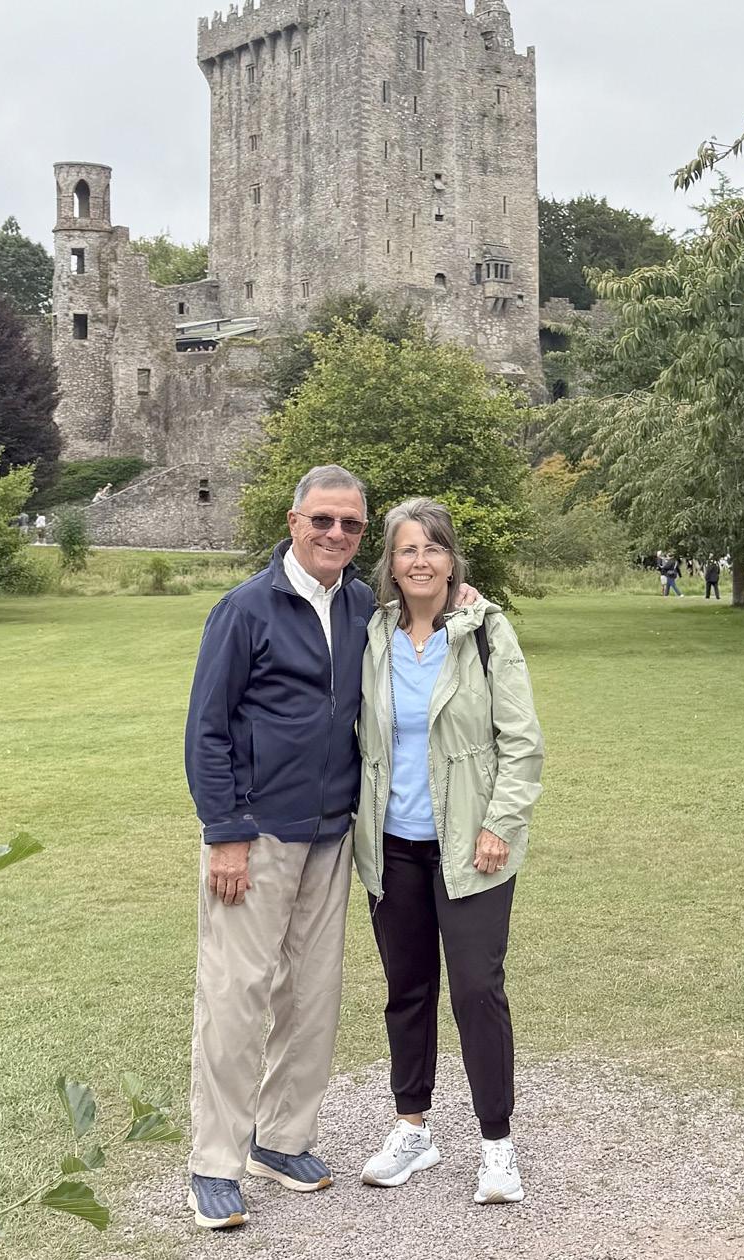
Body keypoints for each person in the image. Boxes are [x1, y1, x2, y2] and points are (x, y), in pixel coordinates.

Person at [183, 466, 479, 1230]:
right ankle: (214, 1163)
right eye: (322, 520)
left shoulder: (359, 608)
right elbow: (206, 730)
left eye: (350, 524)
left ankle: (280, 1142)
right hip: (254, 836)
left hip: (332, 833)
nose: (335, 534)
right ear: (293, 522)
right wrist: (224, 834)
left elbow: (422, 615)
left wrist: (463, 602)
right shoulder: (244, 610)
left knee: (311, 998)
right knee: (235, 997)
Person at [353, 498, 544, 1207]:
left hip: (472, 847)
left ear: (451, 558)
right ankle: (413, 1129)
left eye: (432, 547)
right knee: (407, 990)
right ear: (390, 562)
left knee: (475, 989)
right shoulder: (373, 631)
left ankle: (496, 1145)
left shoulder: (485, 631)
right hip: (391, 846)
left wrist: (500, 824)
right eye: (407, 549)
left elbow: (521, 743)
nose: (420, 561)